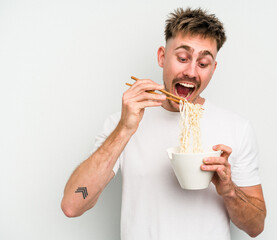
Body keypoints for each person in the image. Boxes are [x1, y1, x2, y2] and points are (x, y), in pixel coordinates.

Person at [61, 7, 266, 239]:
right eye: (182, 58)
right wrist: (124, 130)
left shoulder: (236, 128)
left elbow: (256, 226)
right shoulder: (123, 123)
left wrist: (229, 191)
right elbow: (73, 204)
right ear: (161, 56)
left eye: (203, 63)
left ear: (213, 69)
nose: (191, 71)